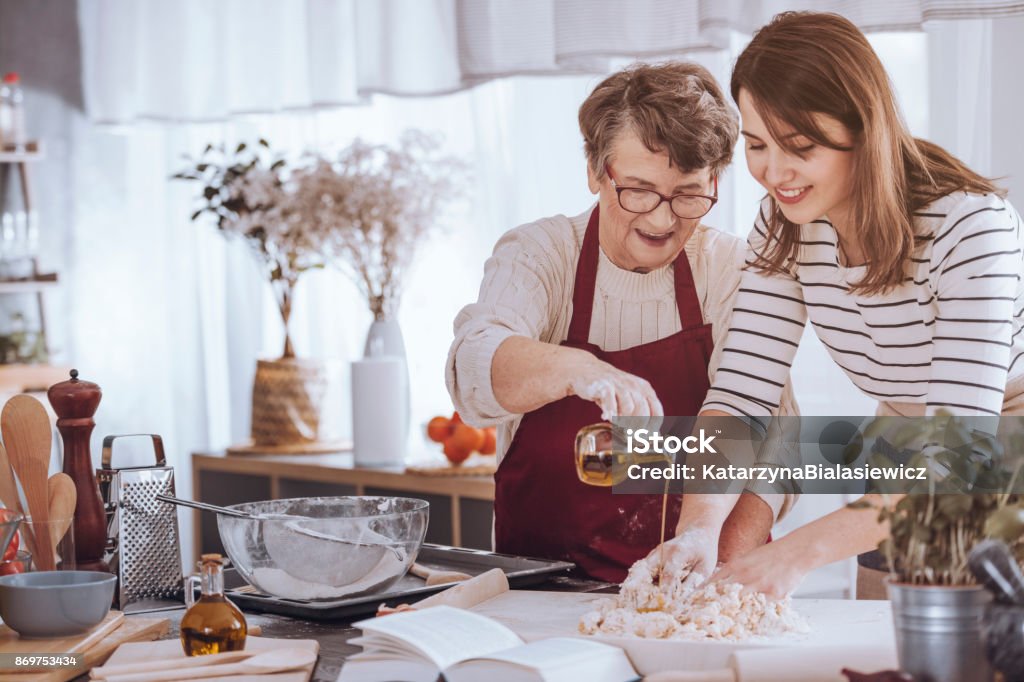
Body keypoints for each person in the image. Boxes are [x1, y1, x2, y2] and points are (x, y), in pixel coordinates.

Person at [654, 11, 1024, 598]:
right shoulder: (785, 225)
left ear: (864, 129)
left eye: (799, 146)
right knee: (883, 640)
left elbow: (961, 456)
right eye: (755, 145)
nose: (774, 173)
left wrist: (796, 555)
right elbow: (742, 397)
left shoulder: (971, 226)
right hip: (906, 444)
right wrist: (699, 526)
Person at [445, 62, 798, 583]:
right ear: (595, 170)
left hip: (700, 595)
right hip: (546, 598)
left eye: (687, 194)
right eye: (638, 190)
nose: (661, 220)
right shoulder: (541, 254)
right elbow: (472, 371)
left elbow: (777, 446)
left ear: (715, 181)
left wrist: (718, 573)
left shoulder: (731, 269)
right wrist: (575, 368)